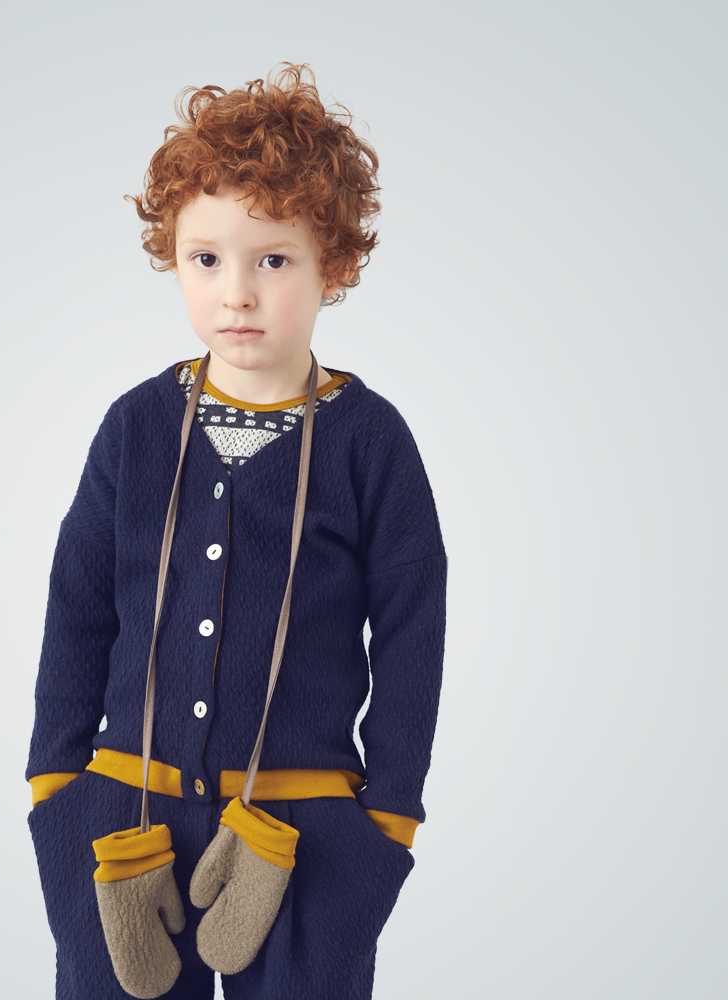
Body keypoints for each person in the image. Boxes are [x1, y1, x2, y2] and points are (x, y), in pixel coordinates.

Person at [25, 64, 447, 1000]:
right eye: (206, 259)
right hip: (124, 820)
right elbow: (78, 607)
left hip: (308, 834)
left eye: (274, 260)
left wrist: (387, 823)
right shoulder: (136, 427)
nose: (237, 294)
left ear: (336, 263)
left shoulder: (370, 442)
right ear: (172, 259)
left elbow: (412, 632)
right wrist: (56, 787)